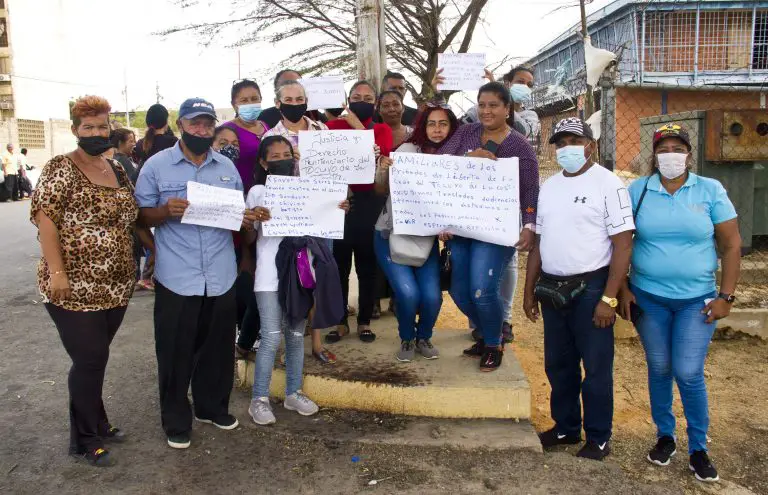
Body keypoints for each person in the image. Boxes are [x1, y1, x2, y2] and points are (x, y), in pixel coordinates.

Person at [618, 124, 741, 482]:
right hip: (649, 298)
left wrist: (726, 297)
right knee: (659, 368)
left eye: (678, 147)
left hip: (696, 301)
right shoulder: (638, 190)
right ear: (654, 155)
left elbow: (732, 245)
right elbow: (622, 242)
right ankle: (665, 435)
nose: (670, 154)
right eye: (663, 148)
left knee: (687, 372)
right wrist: (623, 288)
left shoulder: (710, 189)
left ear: (689, 152)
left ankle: (698, 447)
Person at [134, 97, 258, 450]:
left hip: (220, 272)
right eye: (194, 124)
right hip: (178, 273)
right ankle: (176, 419)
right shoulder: (156, 166)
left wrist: (249, 219)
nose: (201, 130)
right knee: (175, 350)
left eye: (207, 124)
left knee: (218, 348)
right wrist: (163, 212)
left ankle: (211, 407)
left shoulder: (226, 168)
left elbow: (238, 214)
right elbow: (140, 216)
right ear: (182, 126)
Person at [31, 96, 146, 467]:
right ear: (75, 130)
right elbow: (45, 220)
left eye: (102, 126)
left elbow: (132, 217)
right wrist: (58, 273)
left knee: (94, 358)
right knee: (91, 358)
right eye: (89, 127)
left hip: (116, 282)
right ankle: (84, 439)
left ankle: (96, 421)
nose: (97, 133)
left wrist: (153, 248)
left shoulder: (117, 167)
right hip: (73, 285)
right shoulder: (60, 167)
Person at [523, 117, 634, 460]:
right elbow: (539, 242)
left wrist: (609, 297)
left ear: (590, 144)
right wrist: (528, 291)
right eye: (560, 142)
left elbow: (623, 243)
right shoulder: (550, 185)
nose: (566, 147)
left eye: (574, 140)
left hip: (591, 288)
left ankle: (598, 436)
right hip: (553, 288)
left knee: (596, 367)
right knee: (559, 364)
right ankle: (566, 426)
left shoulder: (608, 184)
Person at [244, 135, 348, 425]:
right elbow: (250, 236)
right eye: (274, 156)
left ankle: (293, 392)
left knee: (294, 334)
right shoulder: (256, 192)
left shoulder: (309, 189)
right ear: (264, 163)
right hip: (268, 273)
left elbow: (322, 221)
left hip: (301, 271)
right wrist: (254, 218)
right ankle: (259, 398)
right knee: (271, 336)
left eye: (286, 154)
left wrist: (336, 209)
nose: (282, 160)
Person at [438, 82, 539, 371]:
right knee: (459, 290)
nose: (486, 110)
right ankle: (487, 332)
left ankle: (493, 342)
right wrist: (469, 157)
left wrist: (529, 225)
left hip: (496, 230)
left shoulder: (519, 145)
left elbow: (530, 189)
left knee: (482, 289)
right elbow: (440, 163)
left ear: (508, 109)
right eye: (482, 104)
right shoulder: (466, 133)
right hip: (462, 226)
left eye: (494, 105)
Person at [374, 102, 459, 361]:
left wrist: (450, 227)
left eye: (443, 124)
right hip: (390, 235)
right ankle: (407, 339)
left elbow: (459, 200)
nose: (437, 129)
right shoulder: (408, 150)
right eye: (431, 123)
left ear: (452, 128)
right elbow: (381, 189)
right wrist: (383, 169)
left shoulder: (456, 158)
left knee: (432, 298)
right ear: (423, 126)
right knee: (408, 294)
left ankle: (424, 337)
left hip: (427, 240)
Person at [261, 80, 338, 364]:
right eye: (289, 100)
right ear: (278, 104)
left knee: (319, 278)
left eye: (300, 99)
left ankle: (316, 343)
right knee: (289, 280)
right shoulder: (270, 136)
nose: (295, 104)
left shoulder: (322, 131)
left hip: (321, 215)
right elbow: (267, 179)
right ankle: (283, 346)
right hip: (288, 218)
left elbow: (336, 171)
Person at [324, 80, 393, 344]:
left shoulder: (383, 129)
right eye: (356, 96)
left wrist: (355, 125)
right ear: (347, 100)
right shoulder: (331, 127)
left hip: (369, 203)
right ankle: (339, 321)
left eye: (367, 97)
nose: (361, 100)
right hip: (339, 203)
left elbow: (381, 160)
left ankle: (364, 320)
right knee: (338, 267)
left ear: (375, 103)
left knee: (367, 267)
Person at [223, 79, 269, 191]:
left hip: (266, 191)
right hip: (239, 192)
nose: (250, 103)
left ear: (261, 99)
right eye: (244, 100)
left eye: (254, 99)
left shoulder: (265, 126)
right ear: (234, 105)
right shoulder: (226, 130)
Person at [257, 70, 327, 129]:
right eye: (285, 84)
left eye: (297, 83)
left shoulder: (317, 118)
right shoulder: (265, 118)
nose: (292, 87)